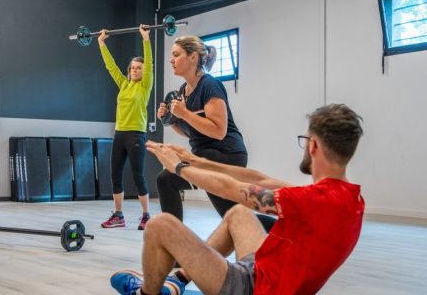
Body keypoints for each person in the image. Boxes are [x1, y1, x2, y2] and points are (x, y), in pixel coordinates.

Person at [111, 103, 365, 295]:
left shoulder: (310, 200)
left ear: (314, 146)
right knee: (239, 215)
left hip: (255, 288)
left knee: (160, 225)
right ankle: (177, 282)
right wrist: (198, 161)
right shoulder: (349, 200)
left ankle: (145, 293)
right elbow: (260, 179)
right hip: (268, 273)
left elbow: (230, 189)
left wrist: (178, 168)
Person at [156, 35, 276, 231]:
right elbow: (193, 133)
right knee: (232, 214)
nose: (171, 60)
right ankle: (283, 231)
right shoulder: (183, 90)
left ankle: (174, 242)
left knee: (166, 180)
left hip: (226, 154)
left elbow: (218, 131)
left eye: (176, 55)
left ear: (193, 57)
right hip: (205, 155)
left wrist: (184, 113)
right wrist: (171, 120)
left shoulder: (210, 85)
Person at [98, 25, 153, 231]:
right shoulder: (123, 84)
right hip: (119, 134)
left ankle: (146, 215)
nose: (135, 70)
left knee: (138, 176)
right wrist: (102, 43)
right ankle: (118, 215)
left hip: (136, 134)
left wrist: (145, 39)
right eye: (132, 68)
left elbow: (150, 65)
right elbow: (111, 66)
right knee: (116, 176)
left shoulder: (145, 85)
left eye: (138, 67)